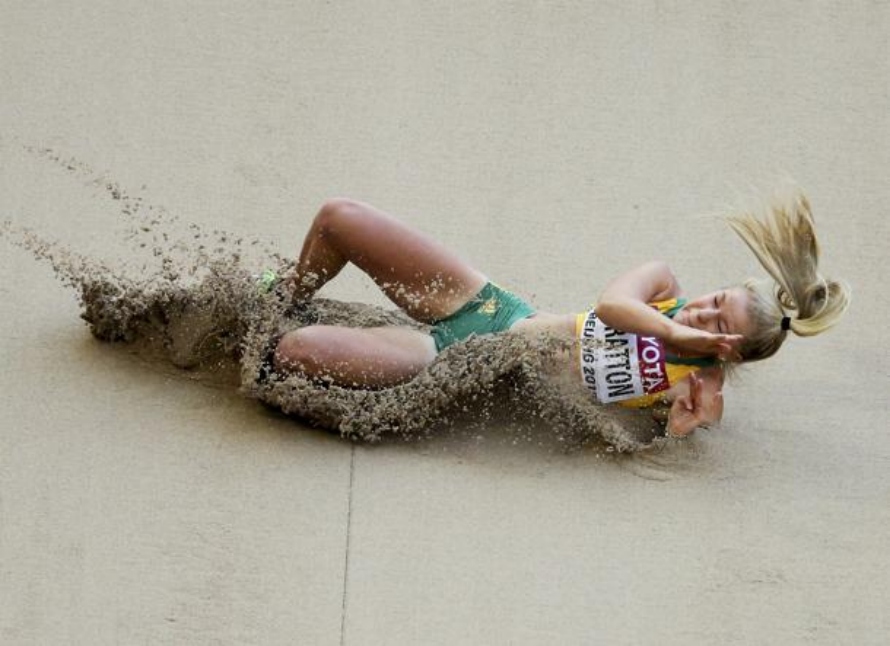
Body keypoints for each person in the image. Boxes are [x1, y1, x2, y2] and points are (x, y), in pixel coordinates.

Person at [271, 195, 849, 438]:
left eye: (719, 326)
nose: (703, 310)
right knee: (339, 217)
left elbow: (653, 437)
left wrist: (682, 425)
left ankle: (290, 333)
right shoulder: (664, 287)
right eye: (716, 298)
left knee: (293, 353)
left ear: (732, 352)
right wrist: (675, 326)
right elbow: (610, 306)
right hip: (488, 307)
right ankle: (279, 292)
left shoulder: (700, 387)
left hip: (454, 364)